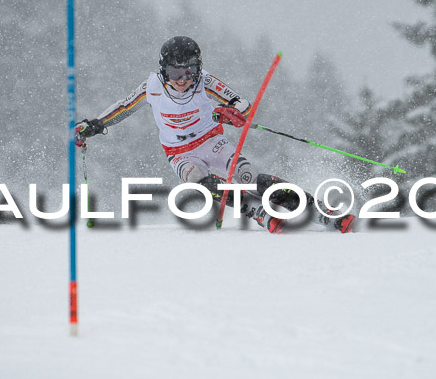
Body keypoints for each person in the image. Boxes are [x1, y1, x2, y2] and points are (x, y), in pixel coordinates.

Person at [75, 36, 354, 233]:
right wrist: (94, 125)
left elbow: (242, 104)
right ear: (163, 69)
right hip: (179, 153)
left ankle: (320, 211)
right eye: (175, 71)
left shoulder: (205, 82)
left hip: (212, 141)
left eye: (190, 70)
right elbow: (124, 107)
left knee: (248, 177)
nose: (183, 79)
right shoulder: (152, 87)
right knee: (199, 180)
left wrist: (228, 112)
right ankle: (255, 211)